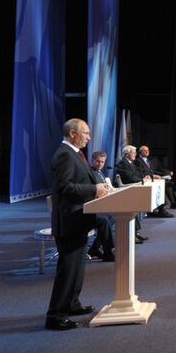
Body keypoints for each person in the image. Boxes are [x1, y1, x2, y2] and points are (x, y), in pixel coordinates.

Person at [46, 119, 109, 331]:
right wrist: (94, 190)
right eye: (86, 133)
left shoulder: (75, 153)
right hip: (69, 220)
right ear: (73, 134)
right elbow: (64, 187)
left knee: (78, 267)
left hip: (79, 220)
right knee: (68, 269)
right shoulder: (65, 154)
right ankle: (56, 315)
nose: (89, 137)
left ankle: (72, 304)